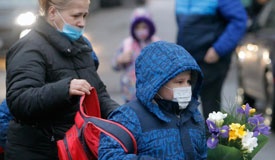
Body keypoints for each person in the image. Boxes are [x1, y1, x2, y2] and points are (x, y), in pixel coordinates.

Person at [5, 0, 119, 159]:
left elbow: (98, 92)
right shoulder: (28, 48)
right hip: (40, 151)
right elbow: (19, 101)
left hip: (73, 148)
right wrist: (65, 89)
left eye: (85, 15)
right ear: (52, 13)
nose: (82, 23)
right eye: (76, 16)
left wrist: (119, 115)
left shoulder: (81, 45)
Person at [98, 41, 207, 160]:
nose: (186, 87)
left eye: (189, 82)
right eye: (179, 82)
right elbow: (108, 154)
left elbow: (202, 155)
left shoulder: (193, 115)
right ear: (156, 83)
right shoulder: (129, 116)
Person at [175, 0, 248, 119]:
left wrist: (218, 49)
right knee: (181, 105)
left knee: (211, 110)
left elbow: (239, 21)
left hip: (211, 60)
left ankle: (213, 136)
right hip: (187, 60)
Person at [112, 8, 159, 103]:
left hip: (152, 93)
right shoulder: (127, 44)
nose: (141, 30)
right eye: (137, 27)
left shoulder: (156, 43)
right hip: (130, 93)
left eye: (144, 27)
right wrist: (119, 60)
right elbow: (114, 65)